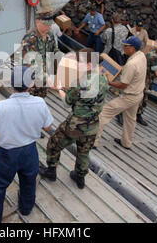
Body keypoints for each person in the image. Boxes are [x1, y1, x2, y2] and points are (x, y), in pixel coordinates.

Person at [0, 66, 53, 223]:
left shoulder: (1, 106)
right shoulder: (40, 103)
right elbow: (48, 126)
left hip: (7, 153)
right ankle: (26, 207)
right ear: (31, 84)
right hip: (30, 151)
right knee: (29, 181)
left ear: (11, 82)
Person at [40, 48, 108, 189]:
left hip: (75, 125)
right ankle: (80, 177)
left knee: (54, 144)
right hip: (93, 124)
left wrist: (59, 88)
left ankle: (51, 171)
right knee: (83, 152)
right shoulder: (103, 79)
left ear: (89, 65)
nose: (76, 64)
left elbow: (66, 103)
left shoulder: (80, 81)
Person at [94, 36, 147, 149]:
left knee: (103, 114)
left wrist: (109, 82)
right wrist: (118, 68)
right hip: (138, 94)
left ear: (133, 48)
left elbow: (123, 85)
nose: (124, 47)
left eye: (126, 46)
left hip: (129, 96)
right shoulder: (141, 56)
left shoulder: (131, 64)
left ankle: (93, 141)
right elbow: (129, 71)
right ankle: (126, 142)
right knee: (130, 120)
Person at [21, 19, 60, 98]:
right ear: (37, 22)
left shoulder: (50, 35)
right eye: (46, 25)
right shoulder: (29, 39)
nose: (48, 27)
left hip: (44, 80)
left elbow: (54, 50)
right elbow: (31, 64)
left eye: (50, 25)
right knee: (28, 104)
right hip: (31, 81)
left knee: (41, 100)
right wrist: (47, 78)